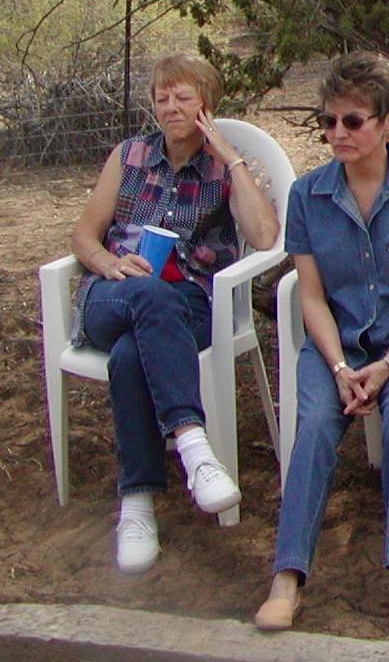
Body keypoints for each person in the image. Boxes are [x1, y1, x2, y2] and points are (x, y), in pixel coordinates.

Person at [253, 52, 389, 643]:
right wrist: (343, 365)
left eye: (352, 121)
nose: (338, 134)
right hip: (339, 340)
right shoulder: (308, 194)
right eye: (328, 121)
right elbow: (311, 296)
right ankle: (287, 576)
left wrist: (388, 365)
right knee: (316, 421)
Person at [70, 54, 279, 575]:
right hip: (112, 294)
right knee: (146, 295)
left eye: (183, 97)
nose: (170, 107)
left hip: (186, 303)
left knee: (131, 353)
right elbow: (84, 235)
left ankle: (137, 505)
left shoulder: (221, 168)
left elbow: (264, 236)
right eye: (162, 98)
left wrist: (230, 158)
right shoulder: (130, 155)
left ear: (206, 103)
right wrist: (108, 263)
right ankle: (193, 447)